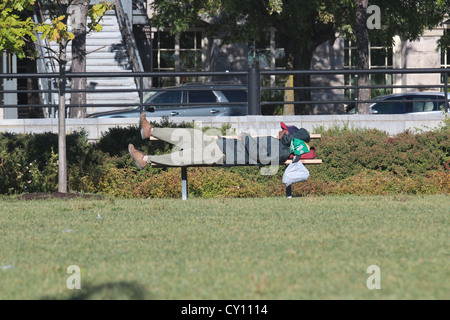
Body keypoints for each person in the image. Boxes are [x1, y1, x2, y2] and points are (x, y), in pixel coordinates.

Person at [128, 113, 311, 169]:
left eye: (283, 130)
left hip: (223, 154)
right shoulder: (279, 144)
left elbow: (260, 156)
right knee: (191, 135)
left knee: (184, 157)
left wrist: (245, 137)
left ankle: (145, 160)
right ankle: (150, 130)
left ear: (289, 135)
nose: (280, 130)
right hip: (223, 145)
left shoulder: (282, 152)